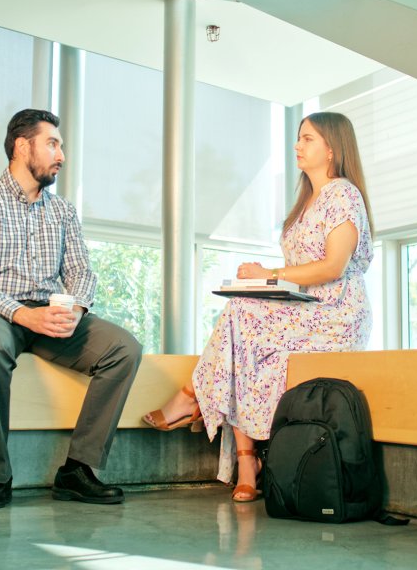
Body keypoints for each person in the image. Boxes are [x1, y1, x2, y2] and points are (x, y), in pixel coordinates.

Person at [143, 112, 373, 502]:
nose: (297, 146)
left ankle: (196, 400)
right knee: (241, 322)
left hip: (336, 313)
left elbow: (333, 266)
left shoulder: (343, 194)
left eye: (308, 139)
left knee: (242, 315)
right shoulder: (306, 203)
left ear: (332, 148)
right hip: (304, 308)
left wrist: (270, 273)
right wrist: (263, 282)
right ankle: (246, 462)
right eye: (298, 138)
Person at [0, 108, 142, 509]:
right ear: (22, 146)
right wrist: (21, 314)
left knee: (123, 348)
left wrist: (75, 307)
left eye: (62, 146)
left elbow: (81, 272)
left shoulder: (63, 211)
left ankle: (77, 471)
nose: (62, 155)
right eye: (52, 144)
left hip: (51, 314)